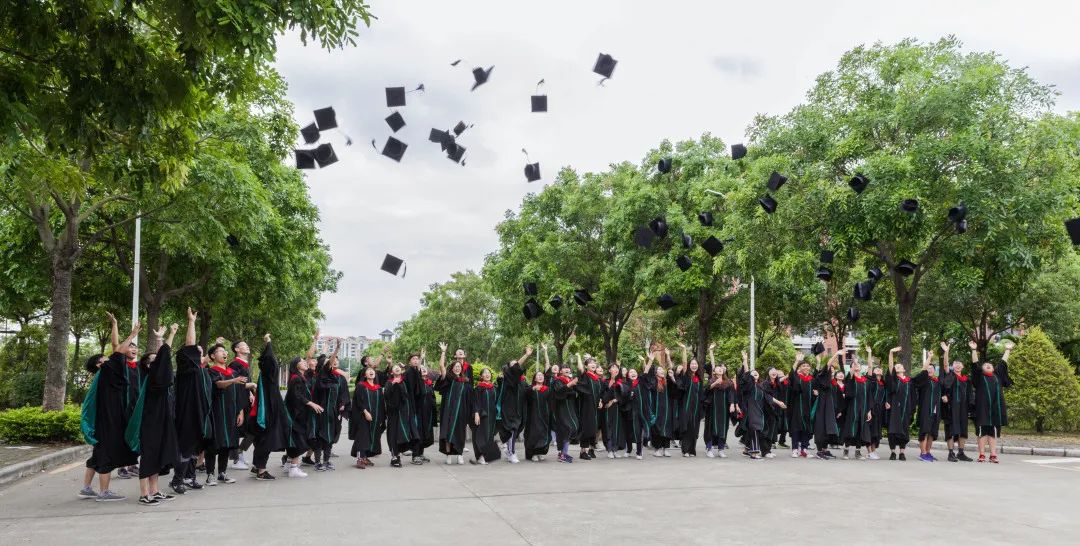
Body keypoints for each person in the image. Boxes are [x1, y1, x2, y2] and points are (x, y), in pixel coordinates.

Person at [78, 314, 140, 502]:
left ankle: (86, 488)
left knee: (96, 457)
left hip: (101, 422)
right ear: (99, 365)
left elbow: (116, 351)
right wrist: (132, 334)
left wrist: (115, 324)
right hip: (107, 423)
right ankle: (104, 492)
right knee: (105, 457)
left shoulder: (103, 378)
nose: (109, 360)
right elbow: (117, 351)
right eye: (105, 359)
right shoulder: (106, 373)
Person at [126, 322, 181, 505]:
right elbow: (163, 359)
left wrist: (161, 338)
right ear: (149, 366)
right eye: (153, 360)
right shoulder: (152, 381)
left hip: (162, 421)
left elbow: (162, 359)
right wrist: (168, 336)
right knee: (149, 457)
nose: (158, 361)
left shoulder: (159, 379)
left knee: (158, 456)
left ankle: (155, 491)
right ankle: (144, 494)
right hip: (149, 423)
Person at [169, 308, 212, 491]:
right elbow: (190, 344)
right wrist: (192, 322)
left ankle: (190, 477)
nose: (198, 351)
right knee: (186, 447)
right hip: (187, 413)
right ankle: (177, 480)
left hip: (201, 414)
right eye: (196, 352)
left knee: (196, 448)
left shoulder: (203, 372)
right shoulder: (188, 370)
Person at [204, 341, 248, 485]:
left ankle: (222, 473)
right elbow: (218, 384)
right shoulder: (211, 371)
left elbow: (239, 394)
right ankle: (210, 474)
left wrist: (240, 412)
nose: (225, 353)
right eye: (220, 351)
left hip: (231, 413)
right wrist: (234, 380)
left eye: (225, 351)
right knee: (214, 444)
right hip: (217, 413)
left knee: (227, 444)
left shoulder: (232, 372)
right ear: (212, 356)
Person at [249, 332, 288, 481]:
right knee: (266, 441)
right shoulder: (269, 377)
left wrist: (268, 344)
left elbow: (270, 359)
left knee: (261, 441)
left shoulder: (264, 376)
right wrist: (268, 343)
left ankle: (256, 467)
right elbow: (271, 359)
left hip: (263, 414)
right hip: (266, 415)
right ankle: (261, 471)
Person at [737, 351, 787, 460]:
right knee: (755, 429)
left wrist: (779, 403)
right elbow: (746, 374)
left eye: (756, 373)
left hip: (759, 412)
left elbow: (768, 397)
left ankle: (747, 450)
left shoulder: (760, 387)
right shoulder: (749, 385)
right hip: (751, 411)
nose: (754, 373)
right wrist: (745, 360)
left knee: (756, 430)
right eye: (752, 373)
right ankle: (754, 453)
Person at [284, 340, 324, 477]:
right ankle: (294, 468)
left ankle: (289, 465)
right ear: (297, 365)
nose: (306, 362)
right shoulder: (296, 378)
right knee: (299, 440)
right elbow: (297, 396)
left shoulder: (301, 377)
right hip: (296, 415)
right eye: (302, 361)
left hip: (299, 414)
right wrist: (311, 404)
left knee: (297, 439)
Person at [970, 340, 1013, 463]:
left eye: (990, 365)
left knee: (993, 433)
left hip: (996, 409)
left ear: (993, 368)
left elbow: (1003, 363)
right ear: (982, 369)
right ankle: (982, 454)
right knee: (982, 433)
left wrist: (1007, 350)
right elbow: (974, 364)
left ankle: (993, 455)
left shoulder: (997, 376)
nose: (988, 365)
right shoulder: (979, 377)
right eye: (985, 365)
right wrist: (974, 350)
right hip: (982, 409)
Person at [312, 342, 346, 471]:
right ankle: (317, 462)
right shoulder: (321, 376)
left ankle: (326, 460)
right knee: (321, 436)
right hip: (321, 411)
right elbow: (329, 363)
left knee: (330, 436)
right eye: (329, 362)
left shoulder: (336, 379)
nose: (332, 362)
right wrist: (337, 349)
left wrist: (340, 407)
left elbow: (340, 395)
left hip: (332, 412)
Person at [496, 346, 532, 463]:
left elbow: (527, 392)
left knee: (515, 430)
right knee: (512, 429)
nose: (516, 365)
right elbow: (514, 369)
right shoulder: (506, 378)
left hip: (519, 409)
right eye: (513, 364)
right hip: (509, 408)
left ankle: (508, 449)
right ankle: (511, 453)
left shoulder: (521, 381)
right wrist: (526, 355)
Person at [436, 342, 471, 464]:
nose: (457, 368)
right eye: (455, 366)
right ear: (452, 368)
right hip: (448, 410)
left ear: (461, 369)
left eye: (459, 367)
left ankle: (460, 454)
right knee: (447, 431)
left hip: (461, 411)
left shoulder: (465, 382)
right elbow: (441, 366)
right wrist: (443, 352)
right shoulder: (449, 379)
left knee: (460, 432)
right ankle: (448, 454)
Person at [939, 341, 973, 462]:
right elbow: (945, 364)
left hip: (963, 408)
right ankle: (950, 453)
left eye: (960, 364)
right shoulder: (950, 375)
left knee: (963, 430)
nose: (958, 365)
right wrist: (946, 351)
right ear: (953, 366)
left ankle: (961, 453)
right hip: (951, 407)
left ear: (963, 367)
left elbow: (970, 395)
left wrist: (970, 408)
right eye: (955, 364)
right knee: (951, 429)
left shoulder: (966, 379)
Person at [672, 344, 705, 457]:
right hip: (686, 406)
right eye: (692, 364)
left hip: (696, 407)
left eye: (695, 364)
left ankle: (692, 450)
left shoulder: (699, 379)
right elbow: (685, 363)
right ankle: (685, 450)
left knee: (694, 428)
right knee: (686, 427)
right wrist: (684, 350)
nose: (694, 365)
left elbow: (700, 394)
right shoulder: (687, 376)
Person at [228, 338, 256, 471]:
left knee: (253, 429)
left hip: (246, 400)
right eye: (243, 346)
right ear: (237, 350)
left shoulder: (244, 364)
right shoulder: (234, 365)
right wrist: (250, 386)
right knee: (237, 430)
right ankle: (236, 458)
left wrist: (250, 392)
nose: (247, 347)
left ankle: (239, 452)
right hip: (238, 402)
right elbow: (234, 384)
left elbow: (245, 384)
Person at [404, 351, 436, 465]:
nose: (416, 360)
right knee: (416, 431)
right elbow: (411, 391)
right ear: (409, 361)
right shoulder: (409, 372)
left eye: (417, 359)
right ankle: (415, 456)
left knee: (422, 431)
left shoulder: (417, 374)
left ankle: (420, 453)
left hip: (422, 409)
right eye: (413, 359)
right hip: (414, 408)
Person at [912, 348, 945, 462]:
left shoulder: (937, 382)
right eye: (928, 368)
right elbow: (923, 371)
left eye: (932, 368)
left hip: (936, 411)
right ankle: (923, 453)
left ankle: (928, 452)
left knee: (932, 433)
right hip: (925, 409)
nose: (930, 370)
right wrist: (929, 357)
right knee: (924, 431)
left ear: (934, 370)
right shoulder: (923, 380)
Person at [349, 367, 385, 468]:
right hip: (363, 416)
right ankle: (360, 459)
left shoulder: (378, 388)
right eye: (368, 370)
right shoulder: (361, 386)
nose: (371, 371)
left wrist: (382, 418)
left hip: (376, 417)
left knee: (371, 436)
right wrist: (365, 412)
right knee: (362, 437)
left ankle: (365, 457)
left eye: (372, 370)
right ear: (365, 375)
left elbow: (381, 404)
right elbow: (358, 401)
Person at [641, 350, 673, 457]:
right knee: (657, 429)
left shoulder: (667, 382)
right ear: (655, 372)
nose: (661, 370)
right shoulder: (653, 381)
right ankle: (657, 448)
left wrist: (668, 355)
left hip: (667, 410)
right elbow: (645, 374)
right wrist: (650, 360)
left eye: (662, 369)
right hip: (656, 409)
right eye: (659, 369)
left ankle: (665, 448)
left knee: (666, 428)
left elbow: (671, 368)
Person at [885, 347, 915, 461]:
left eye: (899, 366)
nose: (897, 366)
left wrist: (912, 409)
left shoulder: (909, 381)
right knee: (892, 430)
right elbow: (890, 366)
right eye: (896, 366)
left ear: (904, 369)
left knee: (904, 431)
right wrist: (891, 353)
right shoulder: (893, 379)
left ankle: (902, 452)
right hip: (894, 409)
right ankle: (893, 452)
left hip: (905, 409)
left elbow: (913, 396)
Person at [385, 365, 418, 468]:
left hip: (405, 413)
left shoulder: (405, 381)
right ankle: (394, 457)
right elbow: (386, 395)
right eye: (394, 367)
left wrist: (408, 366)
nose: (397, 368)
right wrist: (393, 383)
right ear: (391, 372)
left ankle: (403, 453)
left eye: (398, 367)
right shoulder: (389, 382)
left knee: (406, 434)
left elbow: (413, 373)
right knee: (394, 434)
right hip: (394, 413)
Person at [841, 355, 872, 460]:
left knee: (860, 429)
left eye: (858, 364)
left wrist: (869, 411)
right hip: (852, 408)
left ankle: (858, 452)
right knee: (850, 428)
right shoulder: (851, 378)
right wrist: (854, 362)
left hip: (863, 408)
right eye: (854, 365)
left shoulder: (865, 380)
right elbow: (849, 377)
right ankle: (846, 450)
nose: (857, 365)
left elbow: (869, 397)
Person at [811, 352, 841, 460]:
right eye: (830, 369)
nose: (831, 370)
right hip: (821, 406)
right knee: (821, 428)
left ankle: (824, 450)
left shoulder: (833, 382)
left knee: (828, 428)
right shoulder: (821, 376)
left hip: (830, 408)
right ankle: (819, 451)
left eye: (833, 369)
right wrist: (836, 354)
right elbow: (828, 365)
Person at [703, 356, 735, 458]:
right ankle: (709, 448)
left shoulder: (728, 382)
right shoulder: (711, 380)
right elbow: (706, 390)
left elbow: (731, 394)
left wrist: (732, 404)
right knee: (711, 428)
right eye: (717, 368)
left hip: (724, 409)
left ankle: (721, 449)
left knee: (723, 428)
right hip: (712, 409)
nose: (720, 368)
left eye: (721, 367)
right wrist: (715, 383)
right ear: (714, 371)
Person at [468, 367, 501, 465]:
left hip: (492, 416)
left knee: (490, 435)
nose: (487, 374)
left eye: (489, 373)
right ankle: (481, 456)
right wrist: (477, 413)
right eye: (485, 373)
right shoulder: (479, 388)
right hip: (483, 415)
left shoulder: (494, 387)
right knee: (481, 435)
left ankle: (486, 456)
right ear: (481, 376)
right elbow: (475, 402)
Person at [574, 353, 603, 460]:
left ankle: (590, 450)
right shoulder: (585, 376)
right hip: (586, 407)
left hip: (595, 407)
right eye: (590, 363)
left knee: (593, 428)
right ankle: (583, 452)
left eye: (594, 363)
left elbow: (599, 392)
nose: (593, 364)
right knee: (586, 428)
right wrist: (579, 357)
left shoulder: (596, 379)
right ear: (586, 366)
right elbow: (580, 369)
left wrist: (600, 400)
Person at [786, 353, 815, 458]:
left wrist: (816, 393)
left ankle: (804, 449)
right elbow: (791, 374)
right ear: (800, 368)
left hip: (808, 408)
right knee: (796, 428)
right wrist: (797, 361)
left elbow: (815, 393)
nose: (806, 367)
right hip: (797, 408)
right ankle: (794, 449)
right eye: (803, 366)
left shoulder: (812, 380)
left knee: (806, 429)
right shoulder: (797, 378)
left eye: (807, 366)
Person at [551, 365, 580, 463]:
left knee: (573, 427)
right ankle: (563, 454)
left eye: (568, 368)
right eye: (564, 368)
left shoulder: (571, 381)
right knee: (566, 429)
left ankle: (562, 453)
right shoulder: (557, 381)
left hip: (571, 409)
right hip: (561, 410)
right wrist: (570, 385)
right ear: (560, 371)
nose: (567, 369)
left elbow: (576, 393)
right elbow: (559, 393)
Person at [523, 370, 554, 462]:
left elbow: (551, 402)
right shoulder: (530, 388)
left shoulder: (547, 389)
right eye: (538, 375)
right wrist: (532, 389)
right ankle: (533, 453)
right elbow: (524, 394)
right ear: (535, 378)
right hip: (533, 415)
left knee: (543, 434)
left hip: (545, 415)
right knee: (534, 434)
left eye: (542, 375)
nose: (540, 377)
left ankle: (540, 452)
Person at [624, 367, 651, 460]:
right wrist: (629, 396)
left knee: (641, 432)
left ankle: (639, 451)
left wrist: (650, 360)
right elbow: (623, 398)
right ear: (628, 375)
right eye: (630, 372)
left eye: (634, 371)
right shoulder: (626, 385)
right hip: (631, 413)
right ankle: (629, 449)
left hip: (643, 411)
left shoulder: (641, 382)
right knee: (631, 432)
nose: (633, 373)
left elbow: (646, 372)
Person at [865, 345, 886, 460]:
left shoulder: (883, 384)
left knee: (876, 432)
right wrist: (869, 353)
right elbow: (869, 366)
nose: (878, 369)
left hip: (879, 410)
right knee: (870, 430)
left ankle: (874, 450)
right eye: (876, 369)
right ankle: (869, 451)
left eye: (880, 369)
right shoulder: (872, 381)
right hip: (870, 408)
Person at [601, 364, 626, 459]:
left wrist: (614, 400)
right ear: (609, 370)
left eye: (616, 367)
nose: (615, 369)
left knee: (616, 428)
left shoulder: (621, 382)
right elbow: (603, 394)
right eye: (613, 367)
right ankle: (609, 449)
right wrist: (608, 401)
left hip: (616, 408)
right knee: (608, 429)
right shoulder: (605, 382)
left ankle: (615, 450)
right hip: (607, 408)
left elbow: (624, 395)